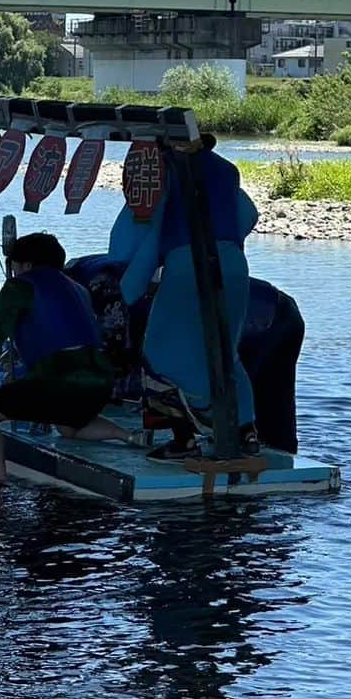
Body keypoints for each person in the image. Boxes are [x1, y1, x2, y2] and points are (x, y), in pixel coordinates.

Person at [0, 232, 142, 484]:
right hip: (101, 379)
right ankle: (128, 435)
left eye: (14, 265)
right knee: (67, 425)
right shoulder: (79, 289)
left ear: (25, 264)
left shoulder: (20, 286)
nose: (13, 271)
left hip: (59, 378)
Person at [111, 133, 260, 460]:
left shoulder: (163, 172)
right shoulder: (225, 169)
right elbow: (249, 215)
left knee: (156, 354)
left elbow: (143, 228)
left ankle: (184, 438)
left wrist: (132, 281)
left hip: (186, 265)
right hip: (234, 264)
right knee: (225, 349)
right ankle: (246, 431)